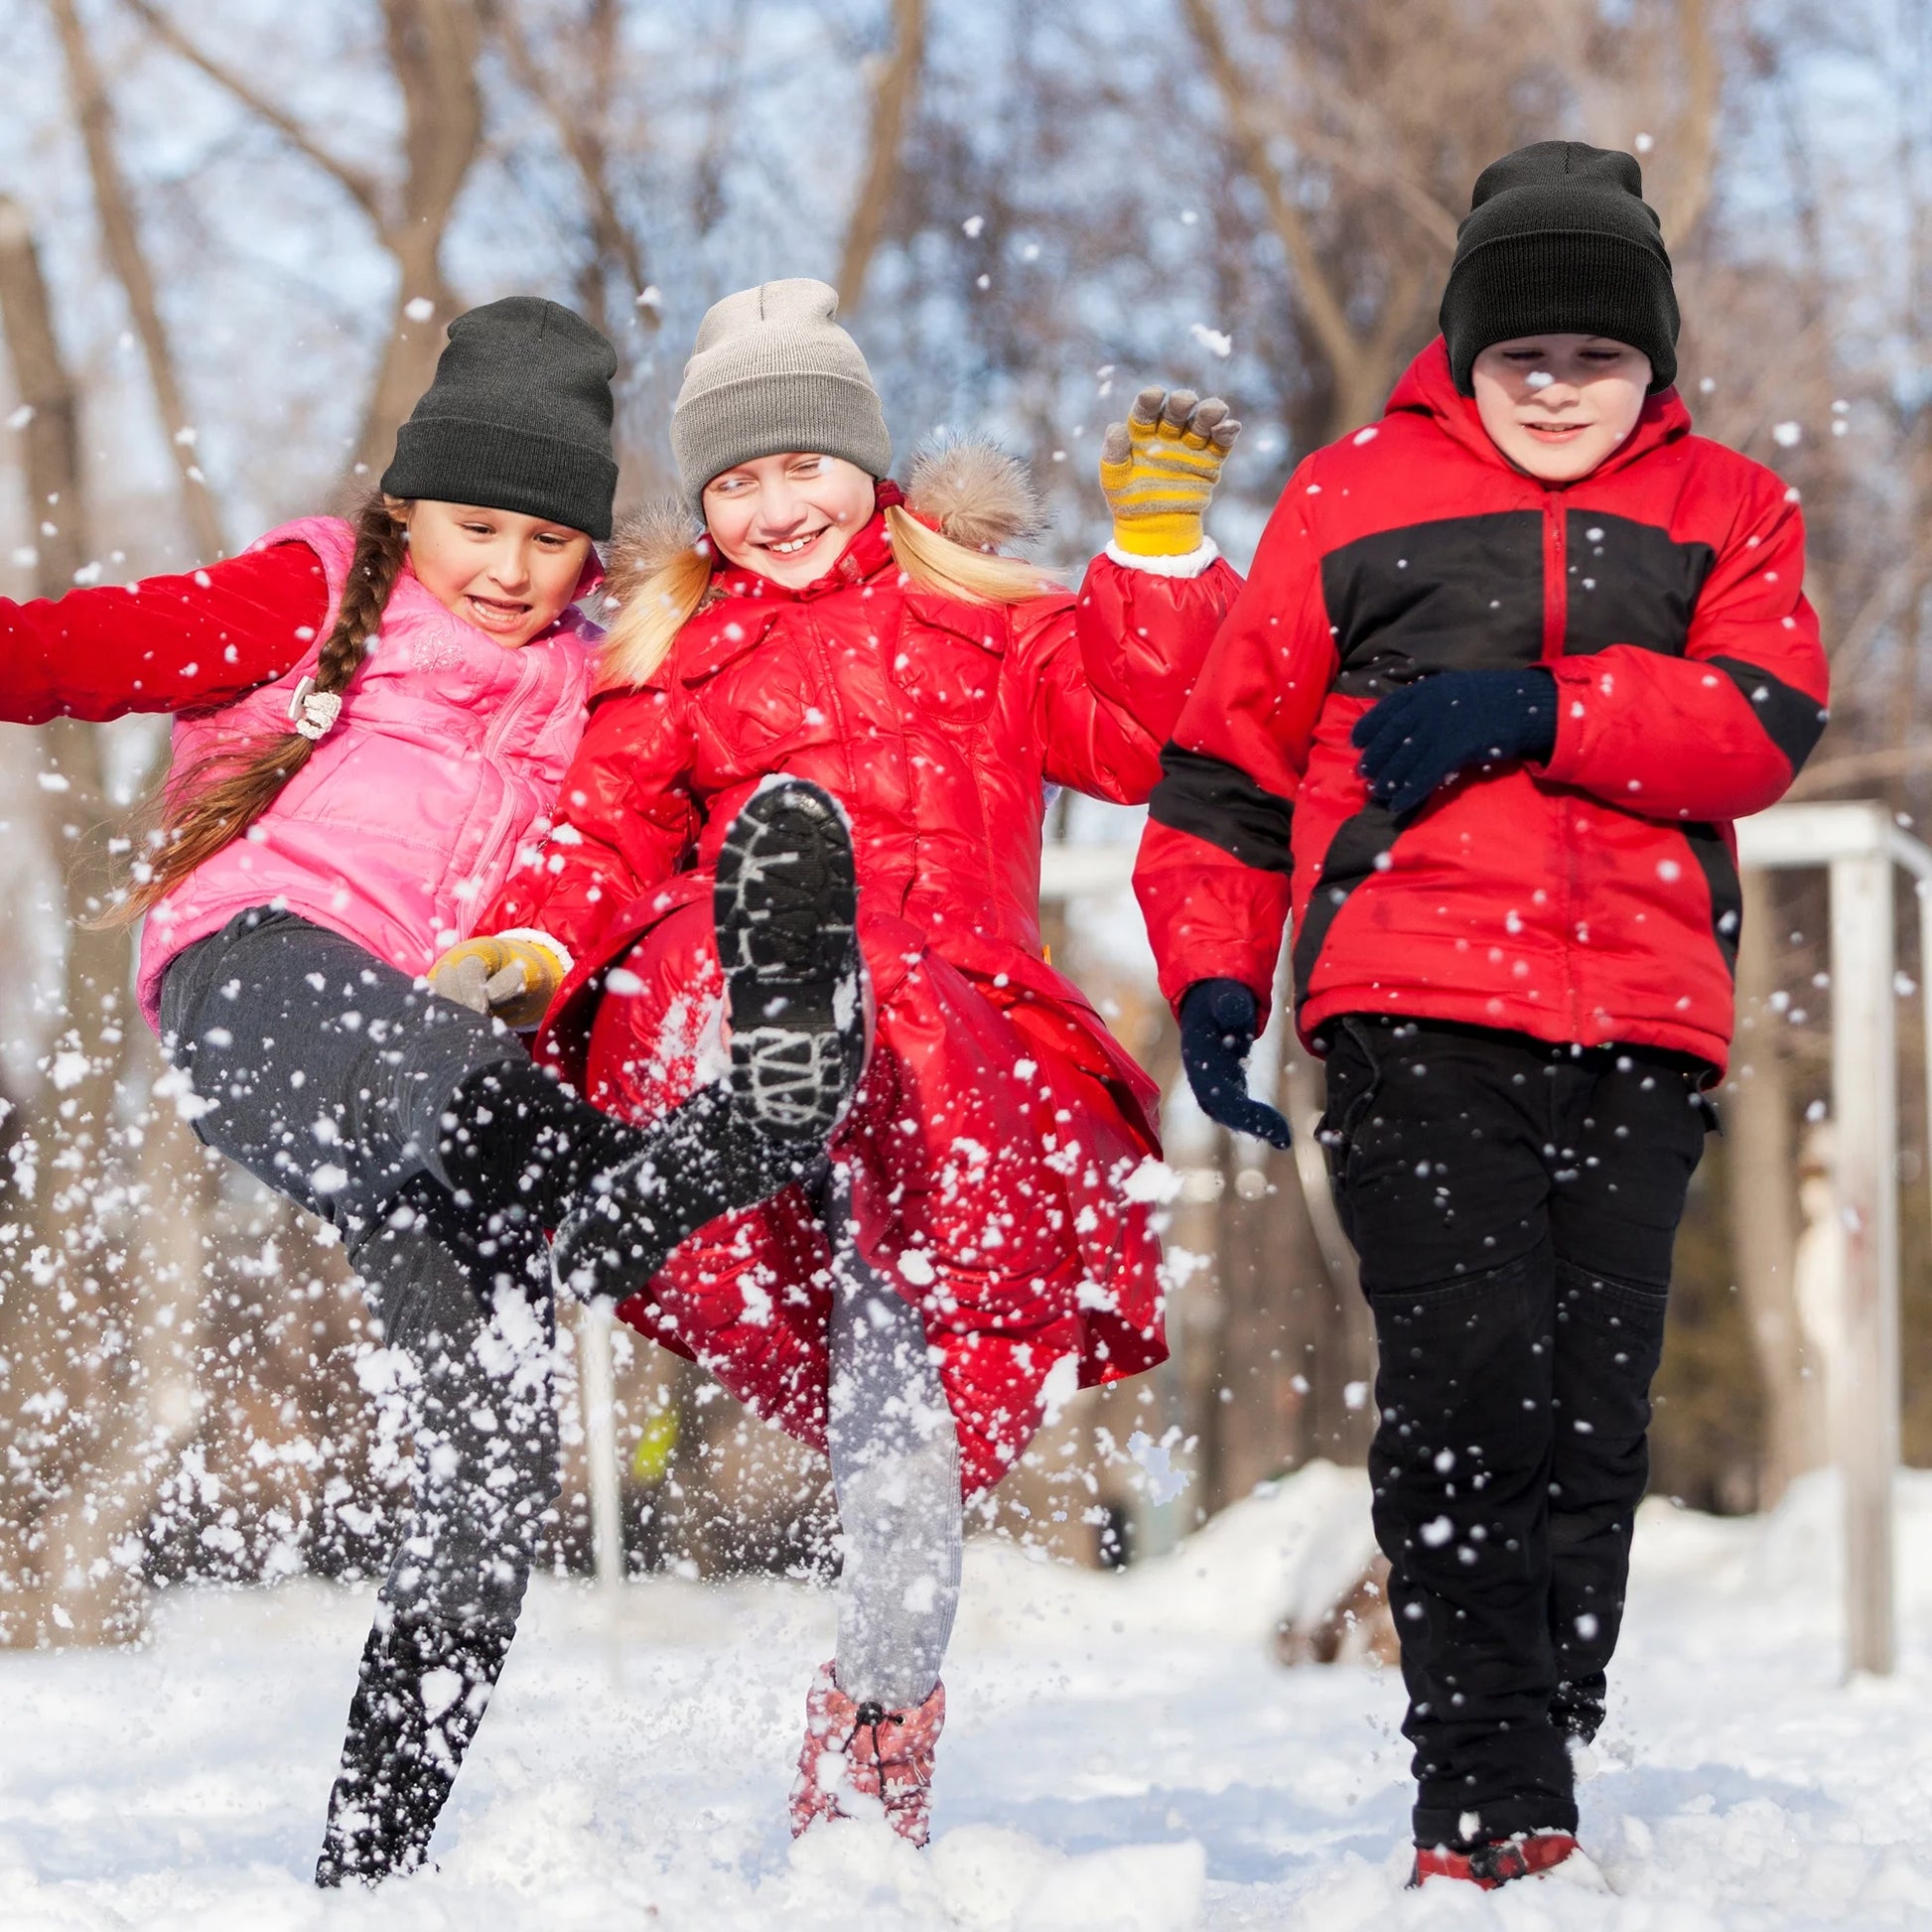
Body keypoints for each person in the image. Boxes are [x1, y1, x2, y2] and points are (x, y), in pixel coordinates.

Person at [442, 277, 1243, 1844]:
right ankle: (757, 1079)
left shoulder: (994, 622)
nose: (770, 506)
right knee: (724, 951)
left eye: (797, 465)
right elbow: (602, 835)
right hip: (739, 1036)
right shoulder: (680, 663)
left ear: (865, 464)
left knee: (906, 1442)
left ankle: (877, 1724)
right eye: (732, 481)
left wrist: (1151, 554)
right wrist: (534, 947)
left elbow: (1146, 735)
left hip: (946, 1072)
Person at [0, 296, 782, 1885]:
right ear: (408, 506)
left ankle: (375, 1859)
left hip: (464, 1086)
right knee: (428, 1062)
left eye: (550, 541)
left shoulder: (598, 666)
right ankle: (628, 1192)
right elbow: (85, 654)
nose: (507, 569)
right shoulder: (317, 592)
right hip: (262, 979)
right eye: (476, 526)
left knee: (490, 1472)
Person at [1133, 143, 1829, 1889]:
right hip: (1408, 999)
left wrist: (1539, 705)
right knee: (1470, 1380)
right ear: (1464, 348)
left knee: (1594, 1409)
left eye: (1594, 355)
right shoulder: (1348, 498)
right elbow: (1223, 767)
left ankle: (1543, 1725)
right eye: (1521, 353)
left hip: (1647, 1017)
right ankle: (1483, 1791)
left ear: (1650, 364)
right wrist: (1216, 971)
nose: (1555, 385)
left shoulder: (1729, 509)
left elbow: (1758, 716)